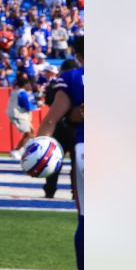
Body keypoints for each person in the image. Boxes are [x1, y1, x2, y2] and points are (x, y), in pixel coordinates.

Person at [37, 37, 84, 270]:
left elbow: (50, 120)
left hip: (87, 147)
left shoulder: (74, 78)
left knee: (87, 216)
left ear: (77, 54)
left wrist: (36, 151)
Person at [42, 58, 80, 199]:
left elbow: (49, 102)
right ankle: (75, 191)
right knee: (76, 163)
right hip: (75, 127)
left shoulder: (57, 84)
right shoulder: (80, 82)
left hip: (59, 126)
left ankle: (50, 190)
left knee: (54, 161)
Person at [9, 79, 40, 160]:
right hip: (19, 115)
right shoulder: (22, 93)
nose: (30, 86)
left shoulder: (16, 91)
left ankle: (21, 149)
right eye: (28, 84)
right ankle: (16, 151)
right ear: (24, 85)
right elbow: (28, 106)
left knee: (32, 132)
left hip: (17, 114)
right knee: (28, 134)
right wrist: (37, 105)